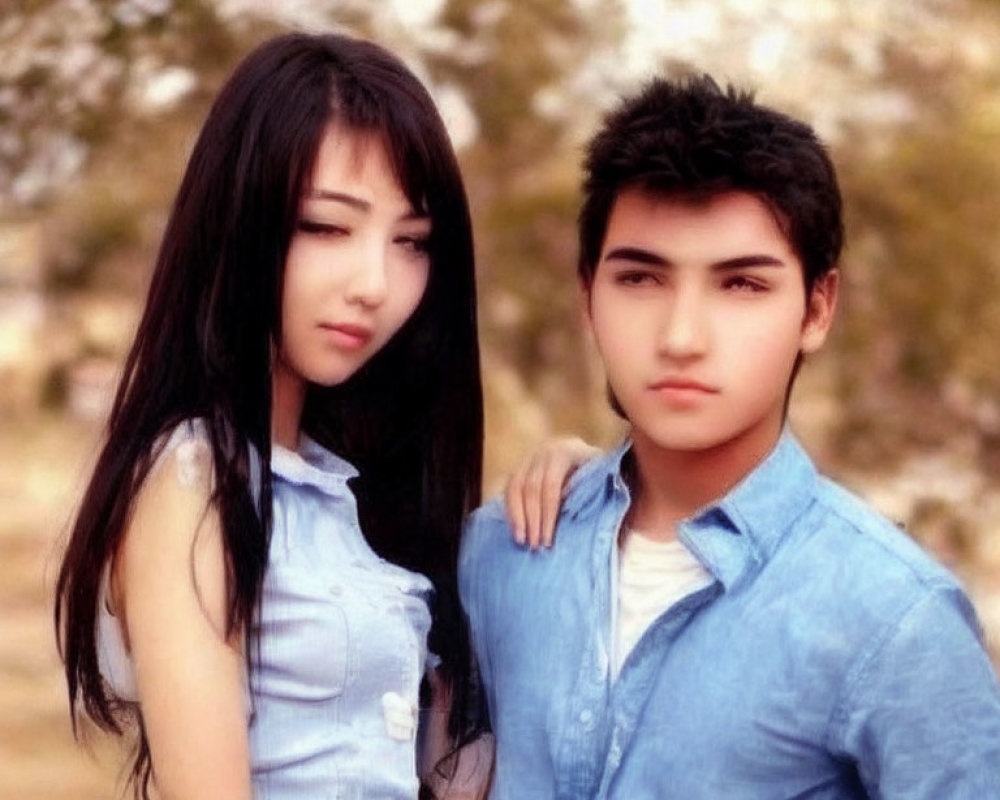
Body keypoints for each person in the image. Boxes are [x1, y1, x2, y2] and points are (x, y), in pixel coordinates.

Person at [460, 75, 1000, 799]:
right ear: (588, 295)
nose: (682, 337)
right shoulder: (497, 557)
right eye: (642, 279)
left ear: (816, 308)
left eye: (741, 284)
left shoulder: (894, 616)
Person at [55, 31, 491, 800]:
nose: (375, 282)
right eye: (327, 226)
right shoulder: (195, 480)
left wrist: (581, 480)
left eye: (413, 241)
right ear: (241, 220)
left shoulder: (348, 493)